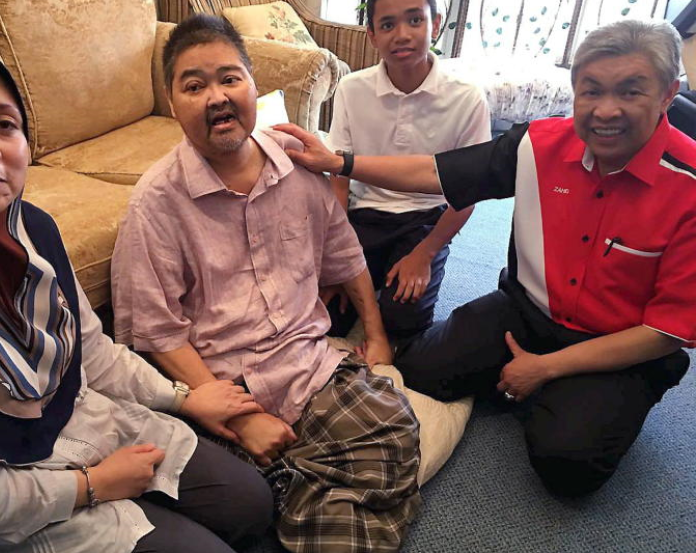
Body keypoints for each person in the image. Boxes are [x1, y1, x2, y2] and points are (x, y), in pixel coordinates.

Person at [0, 41, 273, 553]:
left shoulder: (30, 231)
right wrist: (93, 486)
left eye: (4, 124)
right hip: (1, 499)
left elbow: (92, 352)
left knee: (251, 503)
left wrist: (183, 397)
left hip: (82, 423)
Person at [275, 19, 694, 497]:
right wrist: (340, 162)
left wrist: (546, 369)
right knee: (419, 370)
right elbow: (436, 172)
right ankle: (543, 385)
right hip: (524, 310)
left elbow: (665, 332)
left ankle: (586, 391)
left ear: (668, 94)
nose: (606, 111)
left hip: (618, 345)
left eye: (630, 92)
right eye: (591, 91)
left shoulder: (690, 187)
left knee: (567, 466)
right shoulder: (537, 144)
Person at [111, 15, 420, 553]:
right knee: (252, 499)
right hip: (228, 387)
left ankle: (308, 498)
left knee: (396, 425)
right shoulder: (155, 204)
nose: (216, 97)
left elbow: (344, 253)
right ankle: (312, 499)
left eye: (229, 78)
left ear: (254, 85)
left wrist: (375, 335)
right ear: (173, 104)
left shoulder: (298, 167)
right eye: (194, 86)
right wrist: (244, 418)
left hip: (306, 365)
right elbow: (157, 332)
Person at [323, 0, 490, 340]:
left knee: (403, 320)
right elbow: (339, 179)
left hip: (425, 220)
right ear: (371, 35)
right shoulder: (351, 89)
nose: (402, 35)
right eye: (387, 25)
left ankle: (401, 274)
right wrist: (340, 255)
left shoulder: (467, 98)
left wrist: (425, 254)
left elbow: (469, 193)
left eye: (415, 20)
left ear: (436, 24)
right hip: (364, 214)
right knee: (327, 314)